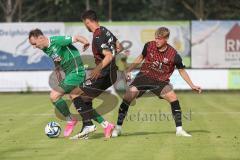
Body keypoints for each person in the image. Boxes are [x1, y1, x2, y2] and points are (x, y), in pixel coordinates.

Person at [112, 27, 202, 137]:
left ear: (166, 39)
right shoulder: (149, 46)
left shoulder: (174, 55)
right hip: (144, 76)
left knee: (173, 97)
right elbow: (140, 58)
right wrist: (129, 70)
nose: (157, 41)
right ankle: (118, 128)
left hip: (160, 81)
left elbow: (182, 71)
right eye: (156, 38)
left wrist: (192, 85)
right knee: (128, 95)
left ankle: (179, 130)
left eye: (159, 39)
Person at [28, 29, 112, 138]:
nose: (34, 46)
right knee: (81, 102)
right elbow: (56, 59)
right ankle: (106, 125)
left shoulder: (57, 40)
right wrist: (58, 72)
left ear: (40, 38)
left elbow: (76, 37)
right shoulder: (45, 48)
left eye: (34, 44)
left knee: (54, 95)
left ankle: (71, 120)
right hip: (70, 74)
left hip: (77, 72)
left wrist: (85, 42)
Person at [70, 10, 123, 139]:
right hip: (112, 73)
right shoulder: (105, 30)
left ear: (88, 22)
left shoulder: (98, 36)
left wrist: (98, 68)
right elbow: (119, 47)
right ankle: (93, 128)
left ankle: (92, 125)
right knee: (85, 99)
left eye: (85, 23)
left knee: (74, 93)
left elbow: (109, 56)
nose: (85, 26)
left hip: (104, 73)